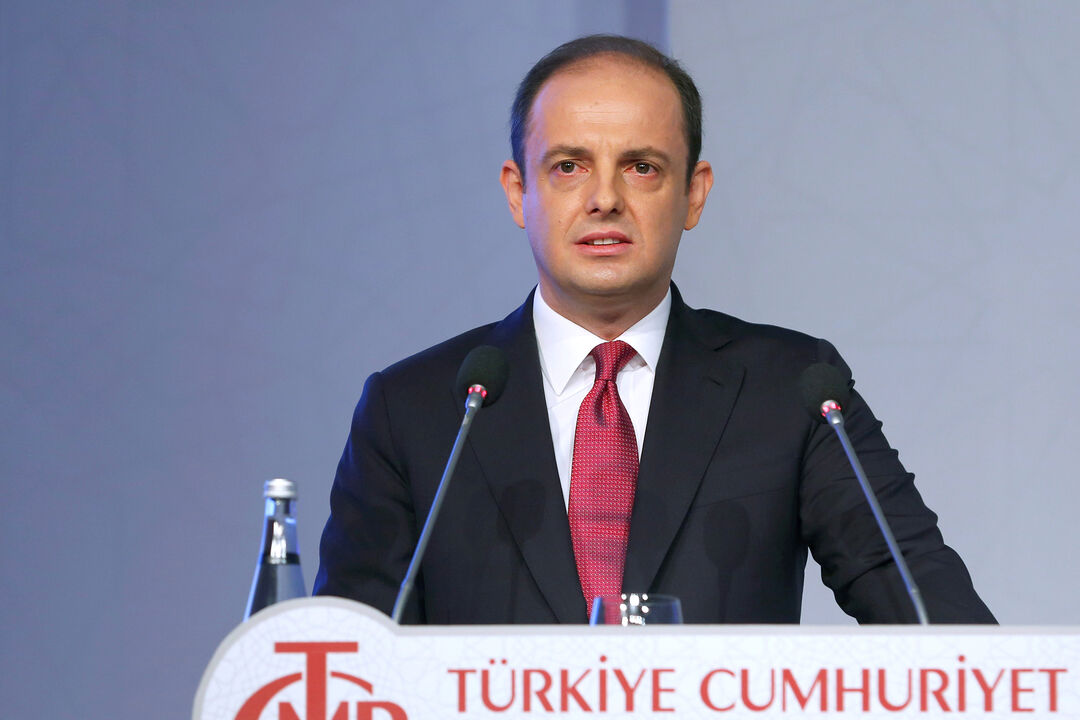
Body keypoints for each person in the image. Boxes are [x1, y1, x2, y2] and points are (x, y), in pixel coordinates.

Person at [314, 34, 995, 625]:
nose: (604, 198)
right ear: (518, 192)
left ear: (694, 193)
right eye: (569, 166)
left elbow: (931, 614)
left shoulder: (791, 389)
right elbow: (343, 670)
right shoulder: (417, 411)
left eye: (641, 167)